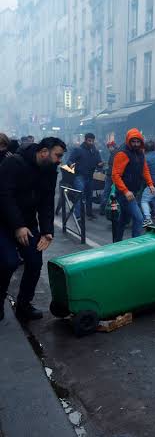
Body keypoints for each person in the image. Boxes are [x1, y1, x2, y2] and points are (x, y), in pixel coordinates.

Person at [0, 137, 66, 321]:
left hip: (28, 224)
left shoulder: (50, 171)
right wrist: (18, 226)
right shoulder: (14, 162)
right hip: (3, 223)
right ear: (44, 152)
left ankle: (24, 305)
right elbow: (4, 196)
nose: (59, 160)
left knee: (35, 262)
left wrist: (47, 231)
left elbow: (47, 202)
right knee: (9, 262)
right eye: (57, 155)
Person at [111, 129, 155, 241]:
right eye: (133, 141)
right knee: (139, 218)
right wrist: (125, 191)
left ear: (141, 142)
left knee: (124, 219)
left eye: (138, 141)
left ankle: (117, 242)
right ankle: (135, 244)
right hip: (124, 193)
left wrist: (150, 184)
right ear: (128, 141)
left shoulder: (140, 153)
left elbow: (144, 169)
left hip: (133, 191)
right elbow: (115, 175)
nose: (135, 144)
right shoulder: (122, 154)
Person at [67, 133, 103, 220]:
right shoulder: (78, 150)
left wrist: (100, 165)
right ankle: (78, 216)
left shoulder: (95, 151)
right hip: (79, 176)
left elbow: (99, 162)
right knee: (79, 196)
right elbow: (69, 161)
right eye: (89, 141)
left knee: (89, 196)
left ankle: (89, 213)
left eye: (92, 141)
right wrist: (72, 167)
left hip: (90, 176)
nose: (91, 143)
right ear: (85, 140)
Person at [100, 141, 117, 214]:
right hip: (114, 175)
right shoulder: (115, 153)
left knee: (107, 192)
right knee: (114, 192)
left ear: (112, 146)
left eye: (109, 147)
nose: (109, 149)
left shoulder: (114, 153)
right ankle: (113, 209)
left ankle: (103, 209)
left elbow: (112, 165)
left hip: (111, 176)